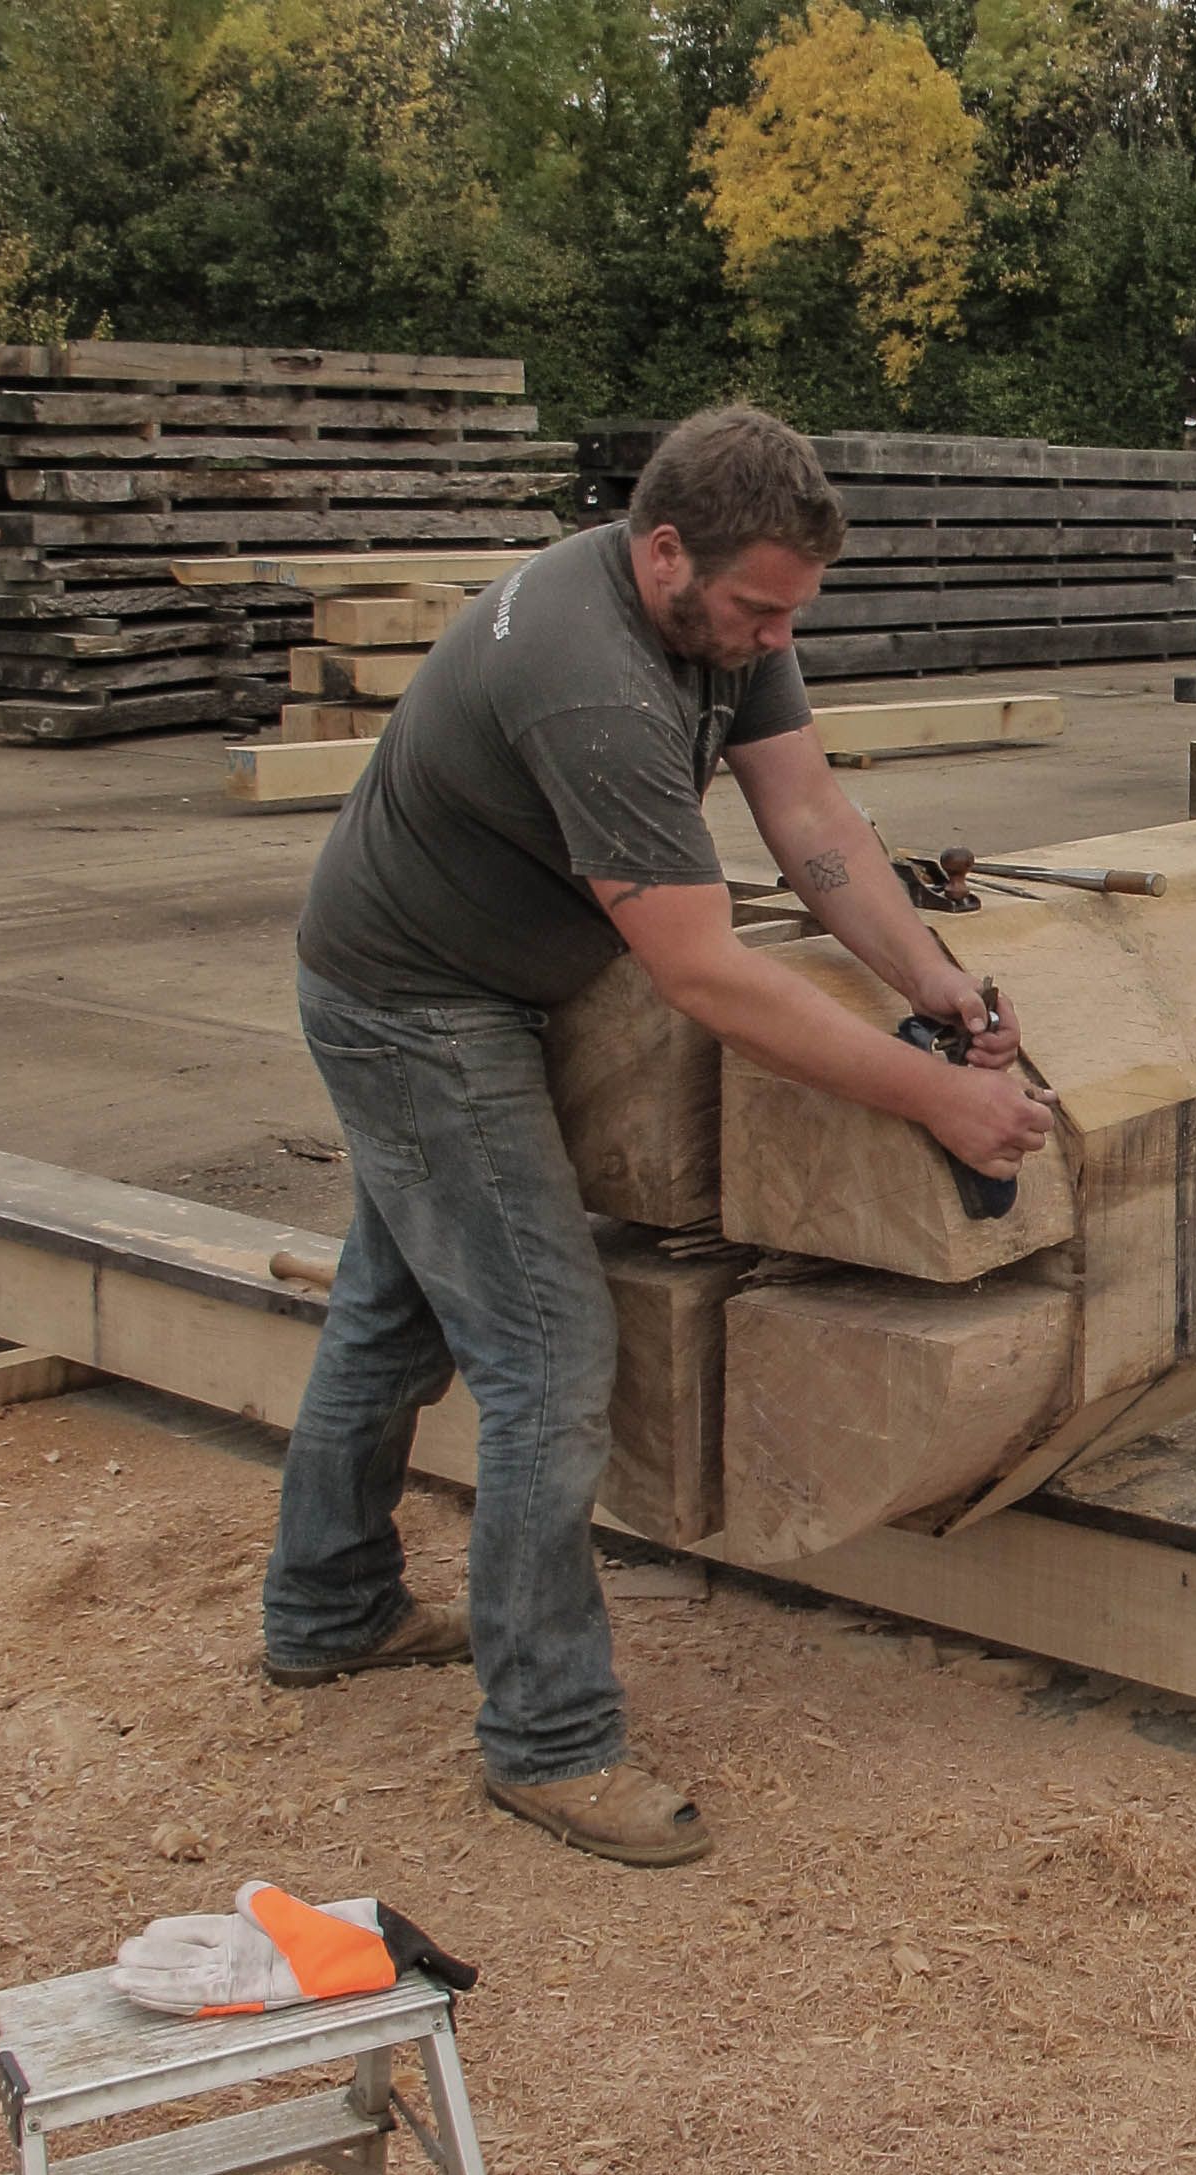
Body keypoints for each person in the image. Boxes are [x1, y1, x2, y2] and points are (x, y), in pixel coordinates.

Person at [262, 409, 1058, 1865]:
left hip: (479, 976)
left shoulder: (728, 606)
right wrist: (940, 1095)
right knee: (550, 1352)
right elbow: (704, 974)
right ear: (667, 552)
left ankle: (329, 1608)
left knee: (394, 1310)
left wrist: (932, 981)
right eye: (758, 611)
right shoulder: (593, 683)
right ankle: (550, 1741)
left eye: (792, 614)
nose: (773, 639)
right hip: (414, 1005)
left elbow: (809, 813)